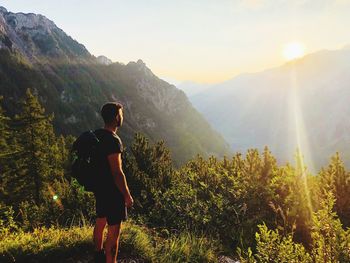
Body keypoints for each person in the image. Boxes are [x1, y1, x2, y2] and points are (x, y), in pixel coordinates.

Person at [92, 102, 134, 263]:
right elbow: (117, 172)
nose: (122, 117)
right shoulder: (113, 140)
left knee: (100, 221)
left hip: (99, 189)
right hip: (113, 192)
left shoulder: (96, 135)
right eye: (121, 114)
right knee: (114, 232)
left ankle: (98, 254)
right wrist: (127, 195)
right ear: (117, 117)